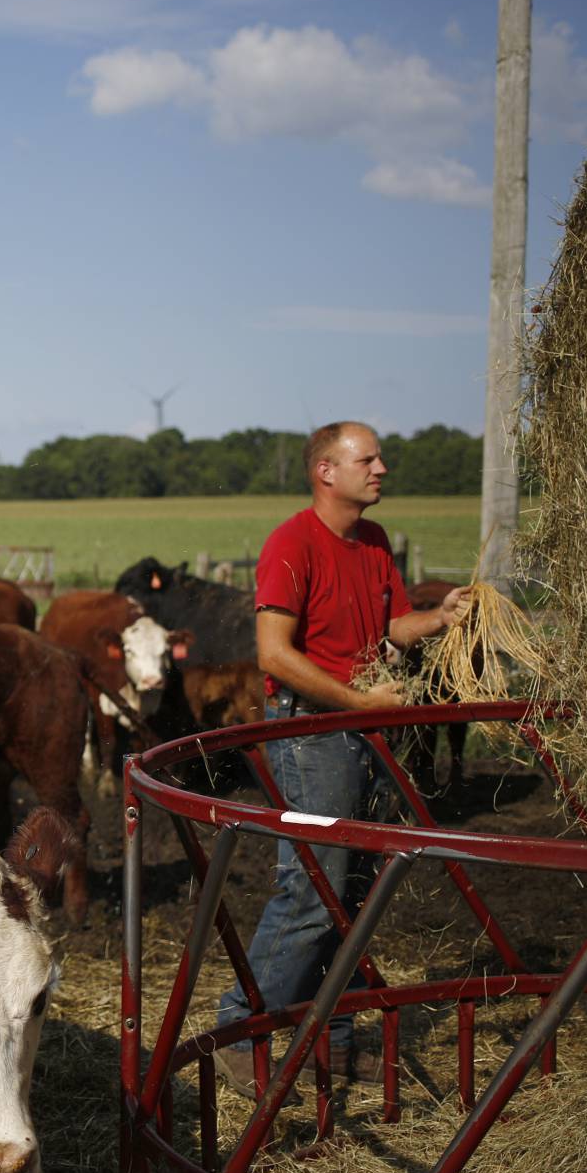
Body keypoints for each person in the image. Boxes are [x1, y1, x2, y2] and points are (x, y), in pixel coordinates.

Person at [214, 421, 469, 1096]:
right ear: (327, 470)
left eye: (380, 456)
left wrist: (439, 617)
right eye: (369, 458)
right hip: (311, 731)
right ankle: (240, 1027)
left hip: (360, 725)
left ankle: (334, 1035)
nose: (382, 467)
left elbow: (384, 631)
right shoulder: (292, 543)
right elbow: (274, 654)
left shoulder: (375, 543)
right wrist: (357, 703)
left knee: (352, 887)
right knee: (313, 885)